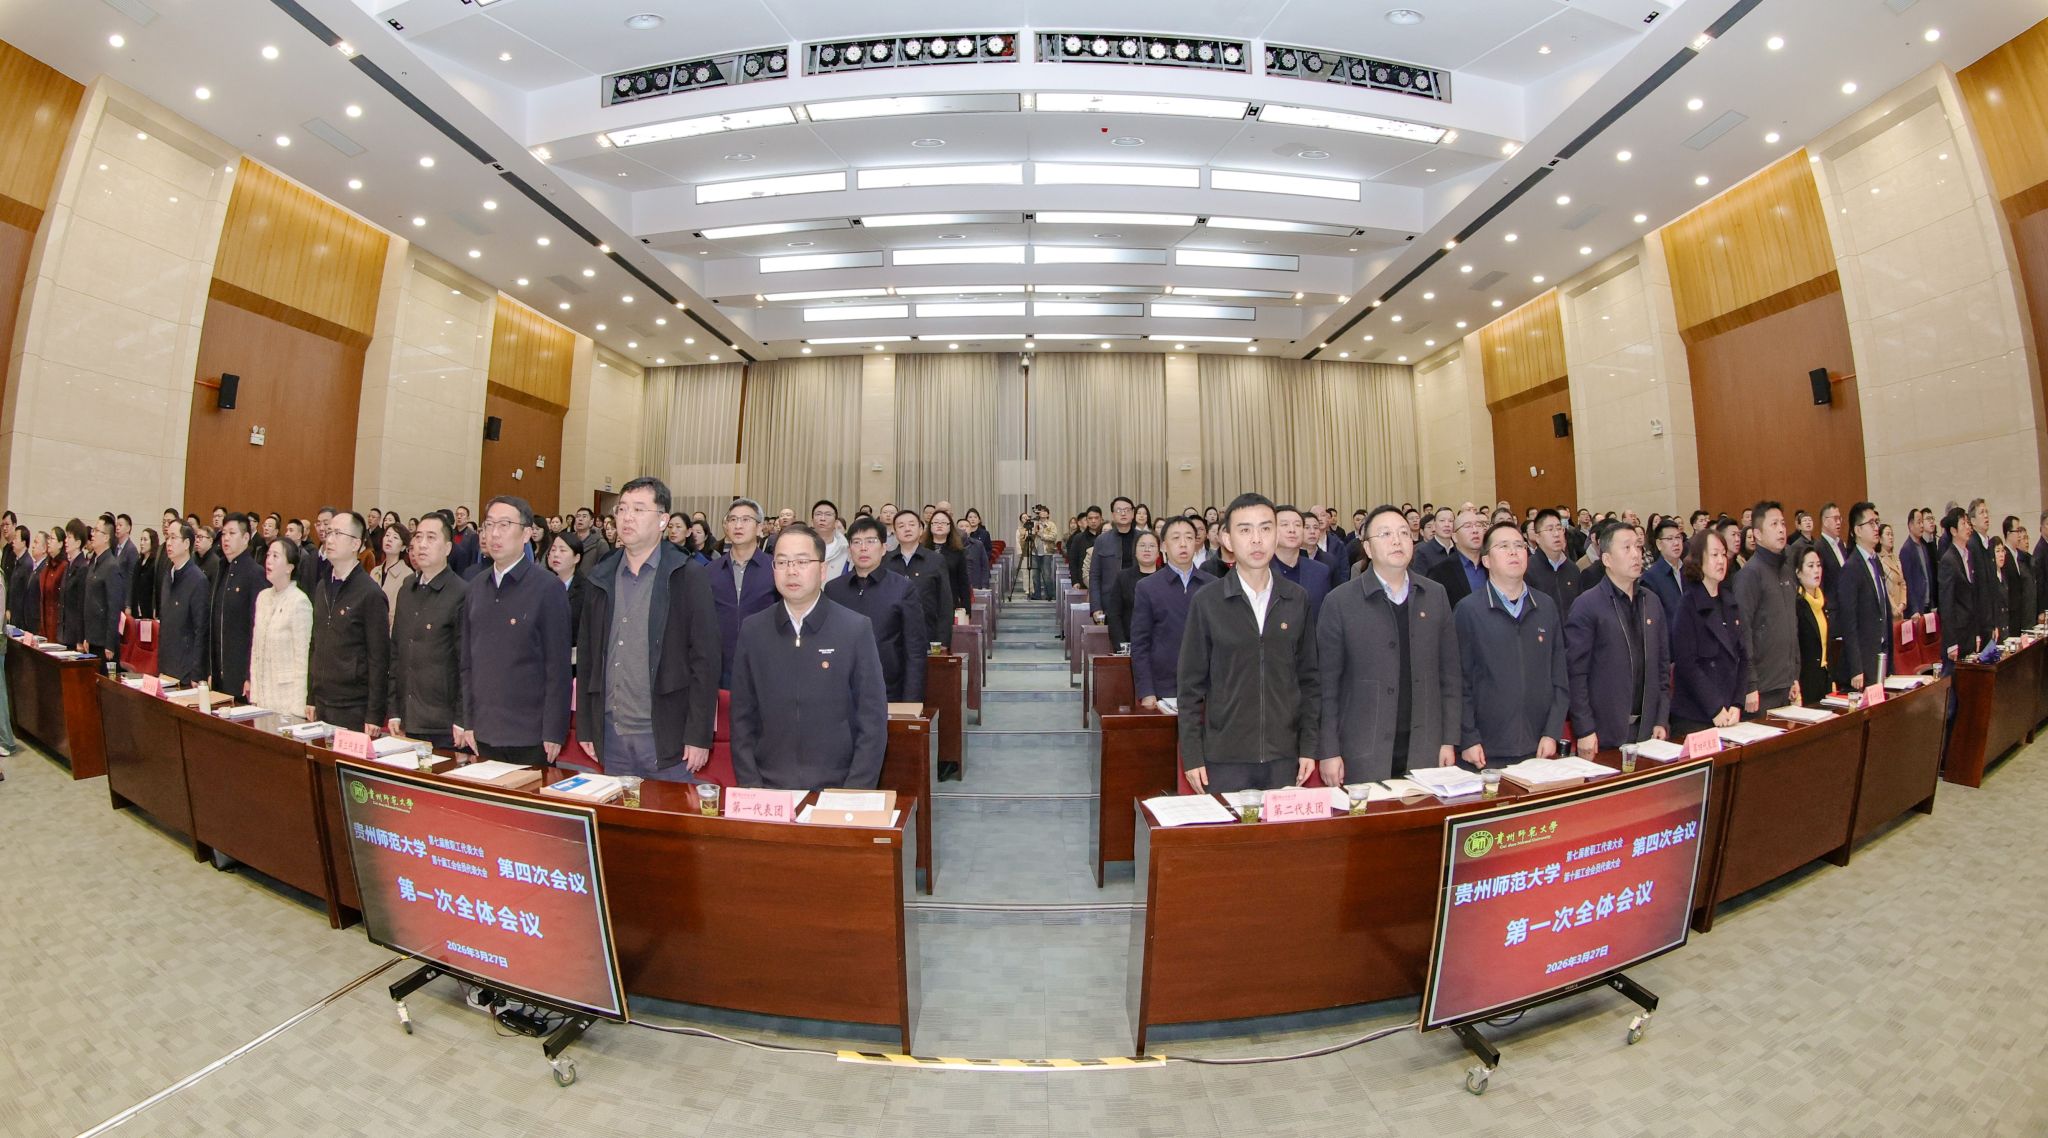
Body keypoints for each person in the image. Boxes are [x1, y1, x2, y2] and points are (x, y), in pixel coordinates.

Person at [576, 478, 720, 784]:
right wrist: (587, 726)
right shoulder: (601, 575)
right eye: (622, 509)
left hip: (665, 734)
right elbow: (588, 656)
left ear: (663, 520)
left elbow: (705, 661)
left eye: (639, 509)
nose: (627, 517)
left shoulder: (686, 575)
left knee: (669, 813)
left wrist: (698, 735)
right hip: (612, 733)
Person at [1176, 494, 1321, 793]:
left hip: (1285, 754)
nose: (1257, 539)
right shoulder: (1208, 601)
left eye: (1265, 528)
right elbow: (1190, 686)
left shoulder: (1296, 598)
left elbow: (1309, 679)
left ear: (1276, 535)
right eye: (1245, 530)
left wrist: (1308, 746)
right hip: (1224, 757)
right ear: (1227, 539)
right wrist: (1192, 755)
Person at [730, 524, 887, 790]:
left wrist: (854, 791)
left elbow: (872, 720)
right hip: (768, 787)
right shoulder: (753, 630)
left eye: (802, 562)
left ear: (822, 570)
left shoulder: (854, 628)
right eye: (782, 562)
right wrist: (752, 786)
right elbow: (741, 719)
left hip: (837, 787)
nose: (791, 571)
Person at [1318, 503, 1460, 784]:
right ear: (1368, 548)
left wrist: (1449, 739)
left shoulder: (1435, 595)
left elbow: (1450, 674)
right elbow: (1326, 685)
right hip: (1361, 748)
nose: (1397, 540)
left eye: (1404, 533)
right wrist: (1329, 751)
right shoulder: (1340, 602)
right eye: (1385, 534)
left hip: (1426, 745)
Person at [457, 496, 571, 767]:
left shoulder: (547, 588)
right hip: (484, 730)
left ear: (527, 533)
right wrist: (467, 720)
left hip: (530, 735)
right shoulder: (475, 587)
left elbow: (558, 667)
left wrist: (554, 731)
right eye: (489, 525)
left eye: (505, 525)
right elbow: (466, 662)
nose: (494, 533)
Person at [1454, 520, 1567, 767]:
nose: (1514, 552)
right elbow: (1459, 681)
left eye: (1519, 545)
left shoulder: (1545, 606)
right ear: (1486, 560)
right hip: (1486, 750)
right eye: (1504, 546)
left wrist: (1552, 732)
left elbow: (1559, 676)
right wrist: (1468, 737)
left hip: (1539, 745)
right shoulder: (1468, 610)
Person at [384, 511, 467, 751]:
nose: (421, 544)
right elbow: (396, 653)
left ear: (447, 548)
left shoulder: (461, 593)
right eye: (418, 537)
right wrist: (394, 710)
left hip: (443, 723)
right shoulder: (407, 588)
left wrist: (462, 719)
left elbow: (466, 663)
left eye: (431, 538)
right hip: (407, 717)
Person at [825, 516, 927, 702]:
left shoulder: (902, 588)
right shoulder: (834, 589)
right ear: (849, 550)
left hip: (889, 691)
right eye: (857, 542)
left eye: (871, 541)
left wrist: (911, 700)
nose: (863, 548)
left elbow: (915, 650)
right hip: (841, 691)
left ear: (884, 548)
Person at [306, 511, 388, 731]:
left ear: (355, 544)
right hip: (322, 700)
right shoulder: (322, 586)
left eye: (337, 533)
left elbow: (378, 659)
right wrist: (311, 696)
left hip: (353, 706)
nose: (329, 539)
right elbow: (315, 644)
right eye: (328, 532)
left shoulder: (370, 593)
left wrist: (374, 714)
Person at [1669, 528, 1751, 739]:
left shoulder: (1730, 602)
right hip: (1696, 715)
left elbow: (1743, 656)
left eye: (1723, 554)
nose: (1721, 560)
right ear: (1699, 559)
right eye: (1714, 555)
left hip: (1729, 711)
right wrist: (1715, 707)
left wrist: (1737, 703)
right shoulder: (1688, 605)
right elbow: (1687, 664)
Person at [1129, 516, 1210, 709]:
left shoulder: (1212, 585)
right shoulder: (1147, 587)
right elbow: (1140, 644)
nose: (1183, 544)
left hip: (1207, 687)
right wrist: (1146, 691)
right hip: (1163, 687)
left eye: (1189, 537)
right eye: (1176, 538)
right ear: (1164, 546)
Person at [1733, 501, 1801, 712]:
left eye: (1783, 523)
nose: (1781, 529)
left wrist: (1794, 675)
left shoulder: (1786, 570)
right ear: (1757, 534)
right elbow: (1743, 632)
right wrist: (1750, 684)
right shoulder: (1749, 575)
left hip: (1785, 683)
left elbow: (1792, 625)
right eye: (1774, 524)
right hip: (1762, 688)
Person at [710, 498, 777, 687]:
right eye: (732, 519)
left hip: (765, 666)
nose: (738, 525)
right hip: (720, 668)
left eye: (746, 520)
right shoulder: (710, 571)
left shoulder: (775, 568)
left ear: (759, 527)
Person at [248, 538, 313, 716]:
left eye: (275, 556)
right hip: (262, 698)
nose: (268, 560)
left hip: (286, 700)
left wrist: (297, 708)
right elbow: (255, 650)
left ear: (289, 567)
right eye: (268, 555)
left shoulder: (299, 601)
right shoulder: (262, 597)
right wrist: (254, 694)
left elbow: (302, 659)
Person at [1834, 502, 1890, 692]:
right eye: (1871, 523)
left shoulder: (1876, 562)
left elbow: (1883, 609)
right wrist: (1856, 668)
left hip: (1880, 654)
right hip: (1863, 661)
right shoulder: (1851, 568)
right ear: (1857, 530)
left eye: (1877, 522)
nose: (1876, 528)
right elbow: (1848, 622)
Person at [207, 514, 264, 699]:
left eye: (232, 533)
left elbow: (257, 628)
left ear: (246, 538)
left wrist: (250, 675)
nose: (226, 539)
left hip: (240, 673)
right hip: (218, 671)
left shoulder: (255, 573)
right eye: (224, 534)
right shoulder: (221, 569)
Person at [887, 508, 954, 645]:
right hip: (892, 638)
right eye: (901, 526)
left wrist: (943, 642)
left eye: (912, 524)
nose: (907, 529)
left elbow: (945, 604)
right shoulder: (885, 561)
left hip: (927, 635)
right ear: (895, 531)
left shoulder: (936, 560)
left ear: (921, 530)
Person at [155, 521, 210, 686]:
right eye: (167, 537)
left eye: (173, 537)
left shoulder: (198, 580)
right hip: (166, 666)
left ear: (186, 544)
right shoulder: (168, 575)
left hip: (186, 671)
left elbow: (201, 630)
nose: (168, 543)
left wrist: (197, 673)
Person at [1937, 506, 1984, 668]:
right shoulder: (1948, 560)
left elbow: (1973, 597)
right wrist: (1951, 642)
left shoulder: (1969, 555)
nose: (1968, 527)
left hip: (1970, 632)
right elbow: (1946, 604)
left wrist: (1976, 633)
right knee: (1954, 678)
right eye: (1963, 523)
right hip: (1957, 635)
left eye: (1968, 523)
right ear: (1953, 531)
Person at [1270, 505, 1333, 624]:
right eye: (1284, 524)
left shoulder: (1320, 571)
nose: (1292, 530)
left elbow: (1325, 617)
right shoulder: (1260, 571)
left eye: (1298, 525)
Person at [80, 515, 129, 662]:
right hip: (92, 638)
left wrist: (110, 643)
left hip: (104, 643)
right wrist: (87, 636)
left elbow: (114, 608)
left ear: (106, 537)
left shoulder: (112, 566)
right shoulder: (94, 563)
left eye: (96, 531)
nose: (92, 534)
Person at [1792, 547, 1834, 706]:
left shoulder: (1822, 602)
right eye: (1810, 566)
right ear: (1798, 572)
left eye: (1818, 565)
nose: (1817, 570)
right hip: (1805, 680)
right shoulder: (1796, 604)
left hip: (1824, 678)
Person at [1090, 496, 1140, 627]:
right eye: (1119, 510)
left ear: (1133, 513)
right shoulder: (1102, 540)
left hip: (1139, 600)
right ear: (1113, 515)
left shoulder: (1143, 539)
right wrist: (1096, 607)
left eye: (1127, 510)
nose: (1123, 513)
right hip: (1110, 601)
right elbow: (1095, 575)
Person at [1424, 505, 1487, 608]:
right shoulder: (1439, 572)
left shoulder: (1493, 565)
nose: (1475, 530)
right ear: (1455, 537)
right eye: (1467, 526)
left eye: (1478, 525)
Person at [1108, 529, 1161, 649]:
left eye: (1152, 546)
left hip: (1162, 646)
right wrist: (1121, 646)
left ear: (1159, 552)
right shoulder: (1123, 577)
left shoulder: (1167, 578)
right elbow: (1114, 615)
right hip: (1130, 644)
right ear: (1135, 551)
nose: (1147, 549)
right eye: (1142, 545)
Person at [1526, 509, 1583, 619]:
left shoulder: (1573, 569)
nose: (1556, 534)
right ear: (1537, 537)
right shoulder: (1527, 569)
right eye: (1550, 529)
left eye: (1559, 528)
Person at [926, 509, 974, 621]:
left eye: (943, 522)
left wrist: (966, 610)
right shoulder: (922, 549)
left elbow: (963, 582)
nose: (939, 525)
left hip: (950, 602)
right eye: (936, 522)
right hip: (925, 604)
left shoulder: (958, 551)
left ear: (950, 527)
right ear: (930, 526)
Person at [541, 530, 586, 646]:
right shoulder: (542, 585)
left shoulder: (586, 590)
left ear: (576, 558)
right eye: (553, 550)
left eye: (562, 550)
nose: (556, 554)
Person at [1642, 518, 1685, 621]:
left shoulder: (1689, 571)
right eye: (1670, 539)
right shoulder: (1650, 578)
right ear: (1659, 544)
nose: (1676, 543)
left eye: (1678, 537)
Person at [371, 522, 413, 627]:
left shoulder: (408, 575)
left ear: (403, 547)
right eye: (387, 535)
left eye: (395, 537)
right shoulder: (375, 571)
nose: (389, 539)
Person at [47, 523, 79, 643]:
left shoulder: (64, 566)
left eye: (52, 538)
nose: (48, 542)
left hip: (59, 622)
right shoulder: (48, 566)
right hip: (47, 620)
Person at [2003, 517, 2037, 632]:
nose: (2019, 534)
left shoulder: (2019, 556)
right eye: (2016, 531)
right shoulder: (2005, 556)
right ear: (2008, 533)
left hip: (2022, 615)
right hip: (2011, 616)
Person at [1899, 510, 1932, 616]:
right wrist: (1914, 609)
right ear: (1910, 525)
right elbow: (1908, 582)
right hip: (1916, 608)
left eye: (1922, 522)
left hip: (1927, 604)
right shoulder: (1906, 550)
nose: (1922, 525)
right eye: (1919, 522)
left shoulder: (1923, 547)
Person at [9, 528, 41, 635]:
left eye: (16, 538)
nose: (13, 541)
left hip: (21, 620)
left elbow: (26, 594)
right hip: (14, 615)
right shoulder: (17, 561)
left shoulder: (27, 564)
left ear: (23, 542)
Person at [812, 500, 849, 580]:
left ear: (836, 523)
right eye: (818, 514)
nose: (822, 518)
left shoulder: (846, 551)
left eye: (828, 514)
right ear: (812, 522)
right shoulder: (802, 547)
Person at [1878, 523, 1908, 623]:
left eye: (1892, 534)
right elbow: (1883, 587)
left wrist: (1902, 604)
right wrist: (1894, 607)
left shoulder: (1896, 558)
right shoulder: (1878, 560)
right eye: (1887, 534)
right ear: (1880, 539)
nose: (1891, 537)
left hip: (1900, 608)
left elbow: (1902, 583)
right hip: (1889, 609)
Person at [571, 507, 610, 577]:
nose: (580, 519)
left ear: (591, 522)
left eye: (584, 516)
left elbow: (605, 569)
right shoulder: (569, 540)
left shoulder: (600, 543)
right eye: (578, 516)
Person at [129, 528, 159, 621]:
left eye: (145, 540)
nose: (142, 543)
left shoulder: (155, 563)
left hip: (149, 611)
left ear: (152, 542)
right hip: (136, 610)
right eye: (141, 539)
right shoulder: (138, 562)